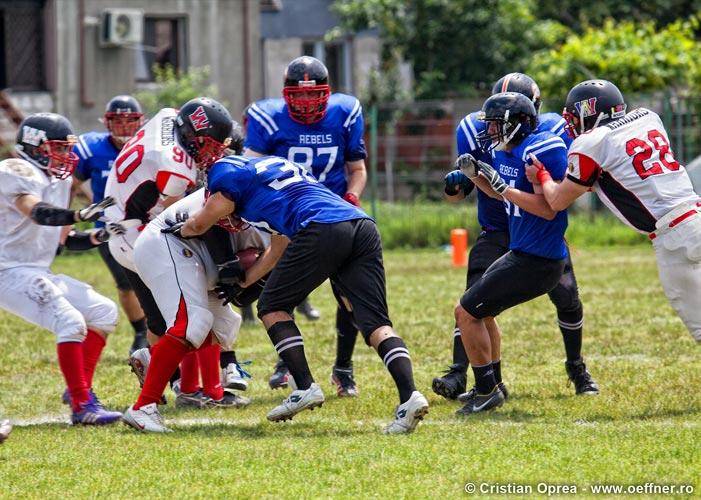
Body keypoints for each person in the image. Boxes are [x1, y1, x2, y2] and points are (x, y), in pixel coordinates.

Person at [169, 154, 428, 433]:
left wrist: (178, 230)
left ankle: (304, 386)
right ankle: (410, 397)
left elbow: (197, 225)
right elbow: (278, 249)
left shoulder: (227, 174)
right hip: (361, 224)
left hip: (321, 227)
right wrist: (244, 283)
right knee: (376, 323)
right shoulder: (274, 175)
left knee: (272, 307)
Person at [435, 73, 598, 400]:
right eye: (490, 121)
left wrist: (511, 187)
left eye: (497, 123)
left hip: (537, 234)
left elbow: (556, 198)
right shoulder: (477, 132)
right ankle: (466, 375)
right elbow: (468, 191)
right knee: (474, 300)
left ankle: (576, 368)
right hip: (498, 228)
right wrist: (463, 182)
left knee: (567, 297)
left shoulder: (546, 140)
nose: (490, 130)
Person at [527, 79, 701, 344]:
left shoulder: (591, 144)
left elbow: (557, 201)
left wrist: (542, 176)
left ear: (589, 112)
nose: (570, 124)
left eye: (574, 117)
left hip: (674, 239)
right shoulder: (648, 118)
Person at [245, 55, 368, 396]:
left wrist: (352, 198)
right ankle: (286, 364)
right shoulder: (266, 118)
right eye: (298, 95)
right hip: (291, 219)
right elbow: (254, 174)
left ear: (327, 94)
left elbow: (356, 169)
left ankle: (344, 369)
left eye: (314, 95)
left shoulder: (346, 112)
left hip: (334, 214)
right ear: (286, 95)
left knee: (349, 295)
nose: (306, 102)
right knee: (283, 293)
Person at [0, 113, 126, 425]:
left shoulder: (58, 182)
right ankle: (83, 405)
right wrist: (80, 212)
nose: (66, 157)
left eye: (68, 149)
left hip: (35, 270)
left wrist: (101, 234)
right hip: (7, 270)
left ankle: (76, 389)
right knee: (70, 322)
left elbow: (63, 241)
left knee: (103, 311)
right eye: (58, 148)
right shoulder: (18, 170)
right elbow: (37, 213)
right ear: (34, 145)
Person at [104, 97, 234, 399]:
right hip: (133, 235)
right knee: (190, 304)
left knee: (172, 315)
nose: (213, 153)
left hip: (126, 223)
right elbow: (187, 217)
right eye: (209, 145)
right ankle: (174, 376)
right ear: (192, 136)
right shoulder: (177, 166)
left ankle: (188, 384)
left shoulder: (168, 116)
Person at [451, 92, 571, 415]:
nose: (490, 132)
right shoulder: (506, 153)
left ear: (515, 125)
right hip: (522, 252)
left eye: (494, 125)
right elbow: (500, 192)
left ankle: (487, 391)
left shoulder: (539, 148)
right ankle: (493, 384)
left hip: (539, 260)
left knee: (465, 312)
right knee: (480, 310)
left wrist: (504, 189)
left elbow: (548, 210)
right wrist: (477, 175)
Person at [122, 187, 268, 432]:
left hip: (198, 254)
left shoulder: (279, 215)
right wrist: (230, 267)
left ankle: (155, 357)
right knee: (192, 322)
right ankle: (142, 408)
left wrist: (239, 280)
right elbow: (205, 225)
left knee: (226, 326)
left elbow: (255, 284)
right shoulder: (235, 188)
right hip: (169, 242)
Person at [72, 95, 148, 354]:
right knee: (126, 283)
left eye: (130, 121)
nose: (124, 126)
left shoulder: (150, 145)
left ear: (140, 122)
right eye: (118, 120)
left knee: (154, 281)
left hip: (146, 225)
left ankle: (157, 331)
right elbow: (70, 183)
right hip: (110, 228)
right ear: (107, 122)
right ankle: (141, 332)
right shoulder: (92, 147)